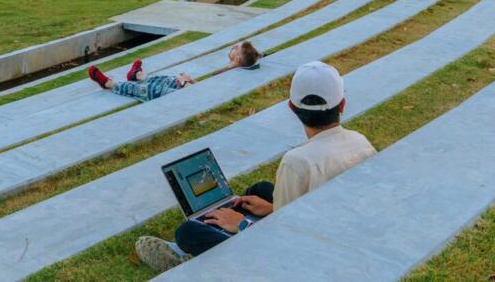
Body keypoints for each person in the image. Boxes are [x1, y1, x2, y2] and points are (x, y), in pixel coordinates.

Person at [135, 61, 377, 272]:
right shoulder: (361, 142)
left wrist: (240, 223)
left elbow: (285, 240)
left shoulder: (297, 161)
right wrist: (273, 208)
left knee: (188, 232)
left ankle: (191, 257)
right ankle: (213, 238)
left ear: (292, 108)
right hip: (340, 234)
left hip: (307, 254)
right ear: (342, 104)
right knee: (260, 190)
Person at [87, 42, 261, 102]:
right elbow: (207, 89)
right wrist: (190, 81)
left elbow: (207, 96)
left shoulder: (228, 76)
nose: (231, 48)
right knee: (166, 78)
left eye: (235, 49)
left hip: (187, 96)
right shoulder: (228, 72)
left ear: (237, 59)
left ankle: (110, 83)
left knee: (151, 90)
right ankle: (137, 76)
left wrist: (185, 84)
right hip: (189, 90)